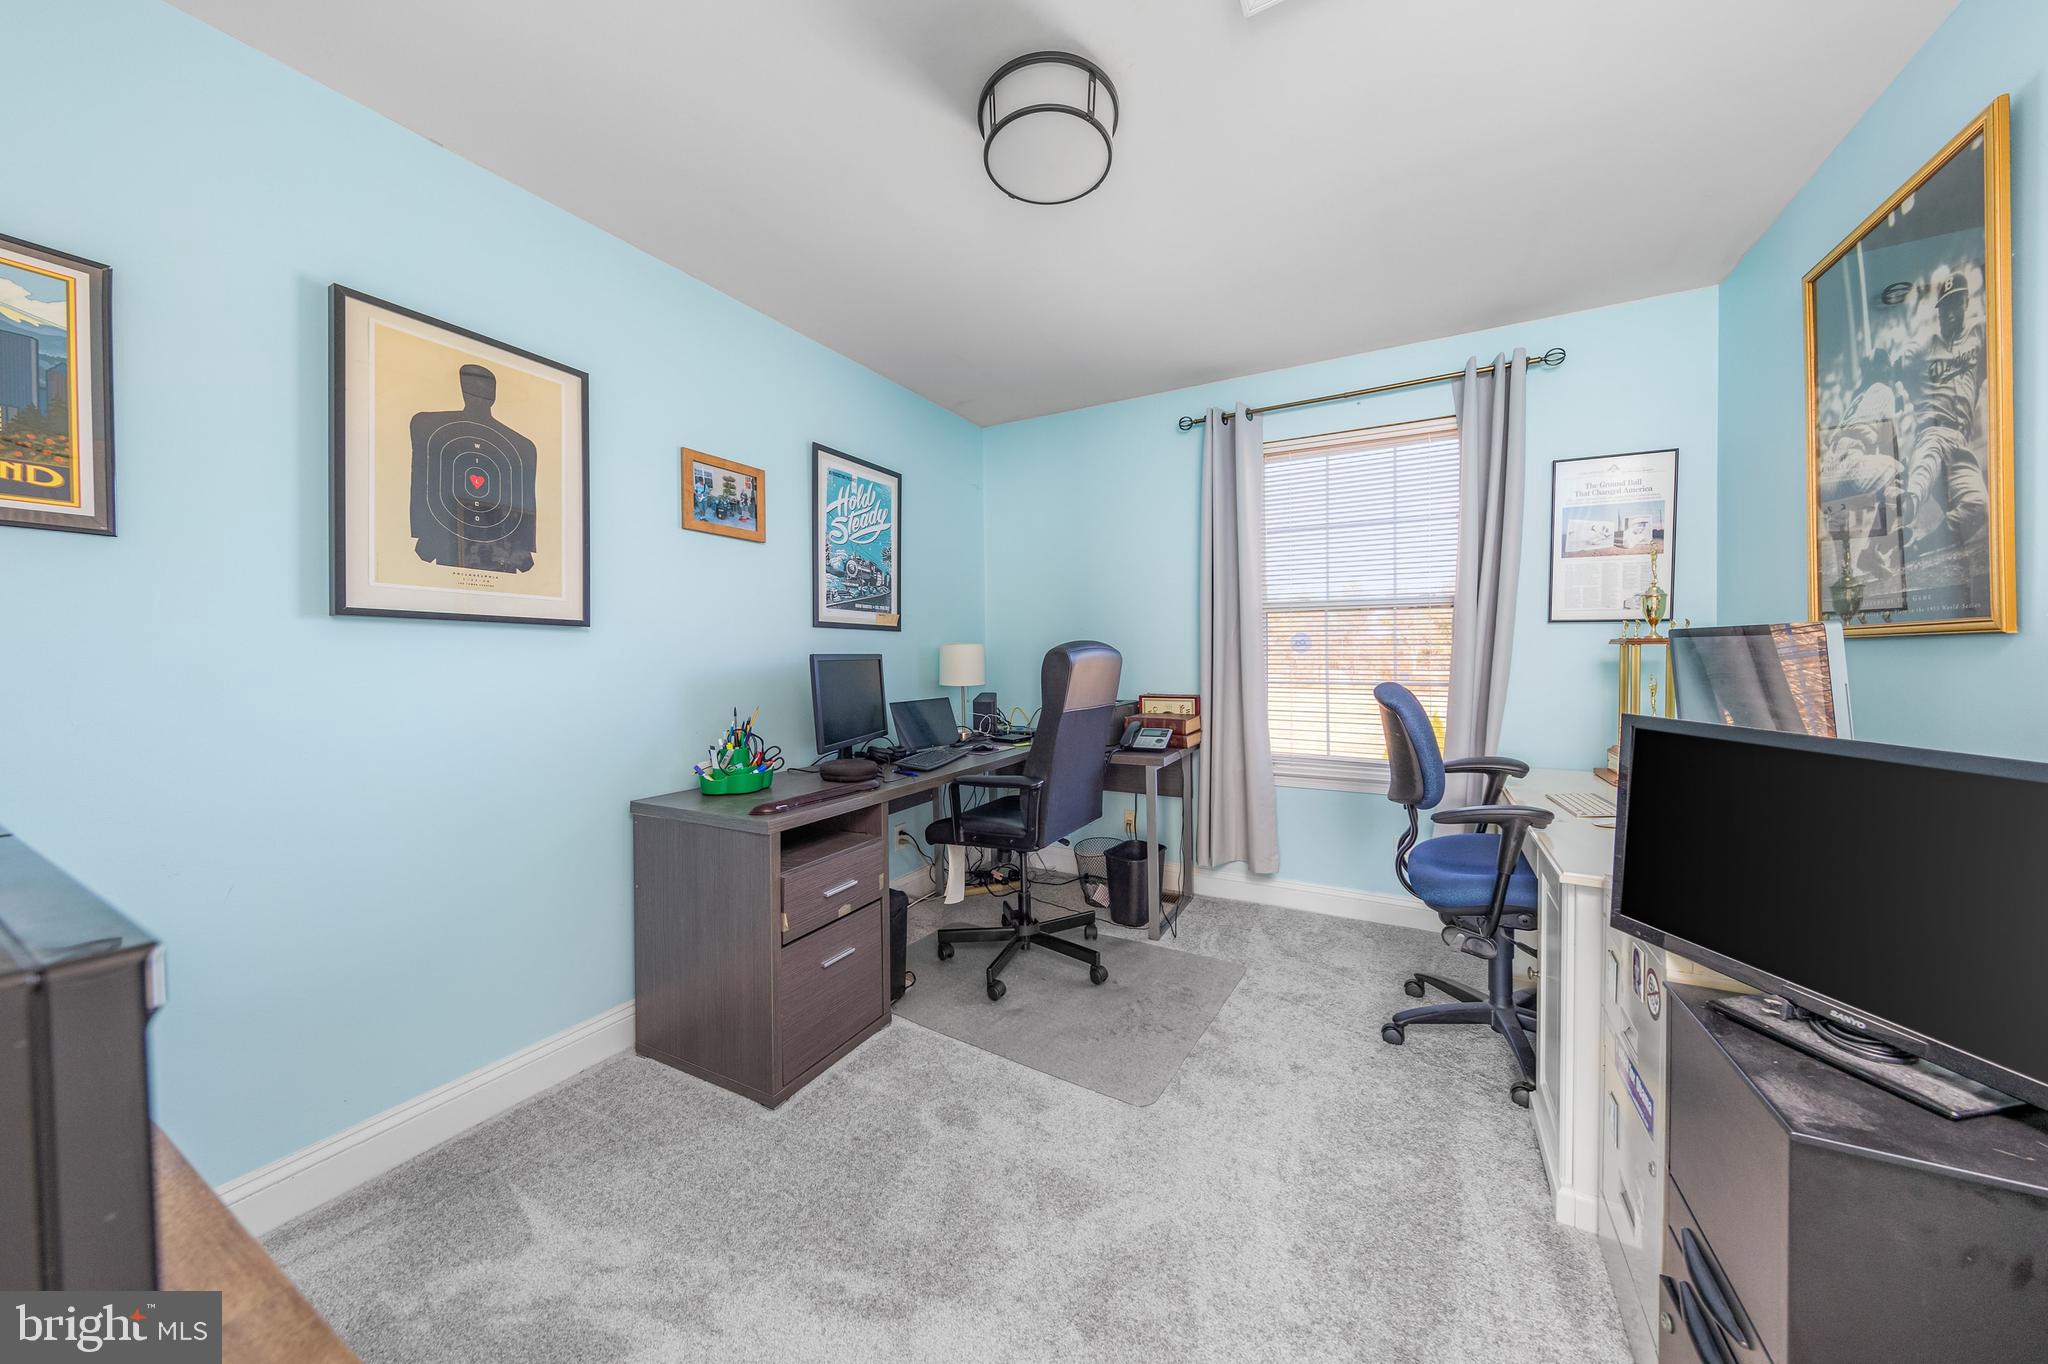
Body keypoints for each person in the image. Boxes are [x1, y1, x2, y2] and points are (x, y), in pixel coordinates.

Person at [1899, 272, 1989, 548]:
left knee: (1978, 506)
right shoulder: (1925, 344)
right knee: (1920, 479)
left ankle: (1921, 545)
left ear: (1965, 301)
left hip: (1961, 442)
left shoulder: (1980, 334)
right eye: (1944, 307)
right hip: (1933, 433)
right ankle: (1903, 506)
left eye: (1953, 304)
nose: (1948, 313)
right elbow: (1901, 368)